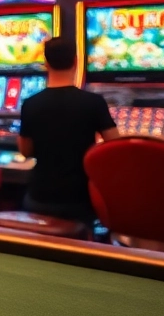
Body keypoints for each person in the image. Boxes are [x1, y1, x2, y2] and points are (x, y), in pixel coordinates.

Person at [18, 36, 120, 224]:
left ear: (46, 63)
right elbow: (115, 146)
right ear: (76, 61)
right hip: (80, 199)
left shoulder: (30, 104)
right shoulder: (94, 102)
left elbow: (25, 151)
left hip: (39, 197)